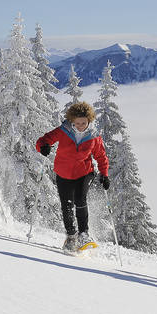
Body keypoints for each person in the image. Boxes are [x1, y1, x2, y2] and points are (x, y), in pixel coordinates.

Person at [35, 102, 109, 252]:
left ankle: (84, 234)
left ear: (89, 120)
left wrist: (104, 174)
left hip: (84, 172)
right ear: (71, 121)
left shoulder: (93, 136)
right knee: (67, 204)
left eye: (84, 122)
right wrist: (43, 147)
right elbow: (43, 140)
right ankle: (71, 236)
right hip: (63, 173)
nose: (81, 125)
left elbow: (101, 157)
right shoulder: (63, 131)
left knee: (80, 199)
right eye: (77, 123)